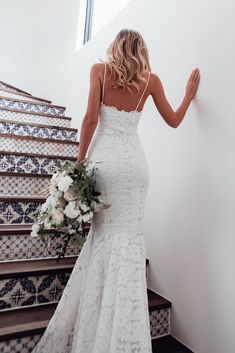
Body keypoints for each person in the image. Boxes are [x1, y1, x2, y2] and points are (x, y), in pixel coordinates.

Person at [31, 28, 200, 353]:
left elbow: (90, 120)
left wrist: (77, 167)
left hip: (105, 164)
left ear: (116, 47)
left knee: (103, 238)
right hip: (136, 169)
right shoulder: (151, 81)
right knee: (130, 239)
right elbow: (175, 120)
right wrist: (189, 95)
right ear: (142, 51)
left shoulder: (99, 71)